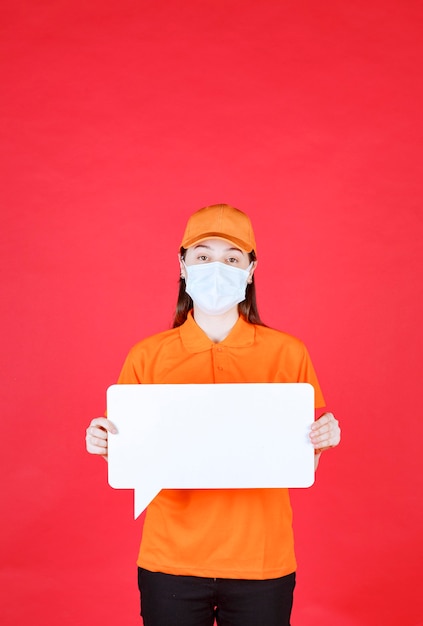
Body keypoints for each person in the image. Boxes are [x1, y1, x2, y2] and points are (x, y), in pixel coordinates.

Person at [86, 203, 341, 626]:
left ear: (251, 269)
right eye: (203, 256)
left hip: (262, 560)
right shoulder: (148, 356)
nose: (216, 268)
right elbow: (136, 462)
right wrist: (107, 446)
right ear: (182, 265)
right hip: (170, 560)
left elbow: (298, 464)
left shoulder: (287, 353)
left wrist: (321, 440)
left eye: (231, 258)